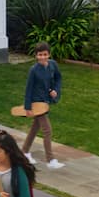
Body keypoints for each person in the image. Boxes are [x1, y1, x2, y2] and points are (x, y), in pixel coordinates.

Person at [22, 42, 64, 170]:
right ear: (36, 56)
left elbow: (58, 78)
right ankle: (50, 160)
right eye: (40, 55)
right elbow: (28, 89)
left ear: (49, 54)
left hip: (46, 102)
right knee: (47, 130)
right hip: (36, 103)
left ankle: (24, 152)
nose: (42, 57)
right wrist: (27, 107)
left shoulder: (53, 65)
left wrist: (55, 90)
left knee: (35, 128)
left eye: (45, 54)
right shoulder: (33, 70)